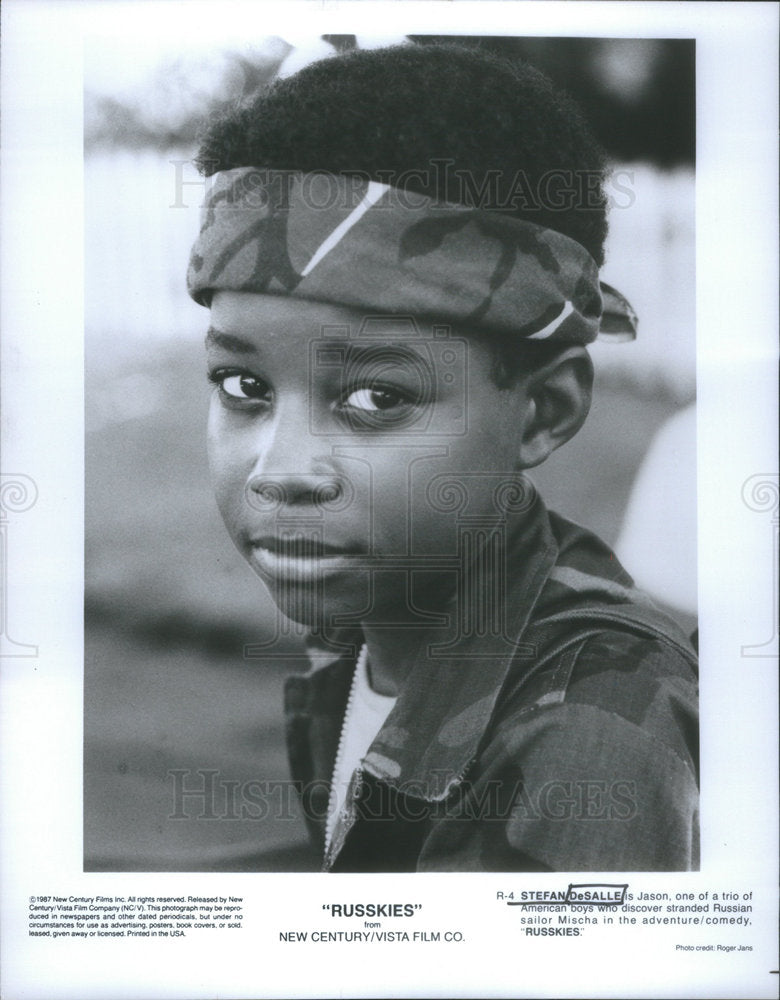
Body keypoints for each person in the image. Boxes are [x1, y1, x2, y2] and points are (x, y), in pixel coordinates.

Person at [186, 43, 698, 871]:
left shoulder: (587, 732)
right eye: (244, 383)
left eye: (376, 400)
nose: (280, 471)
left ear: (545, 410)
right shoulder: (366, 628)